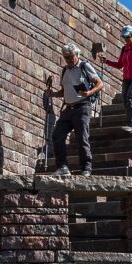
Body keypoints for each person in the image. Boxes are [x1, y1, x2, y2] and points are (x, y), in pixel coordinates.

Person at [45, 44, 103, 173]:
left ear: (77, 55)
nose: (68, 60)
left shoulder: (84, 66)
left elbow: (99, 83)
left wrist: (89, 92)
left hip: (82, 106)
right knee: (57, 135)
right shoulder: (65, 70)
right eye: (66, 58)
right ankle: (62, 167)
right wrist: (53, 94)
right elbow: (64, 91)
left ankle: (86, 168)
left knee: (82, 136)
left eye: (70, 57)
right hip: (68, 109)